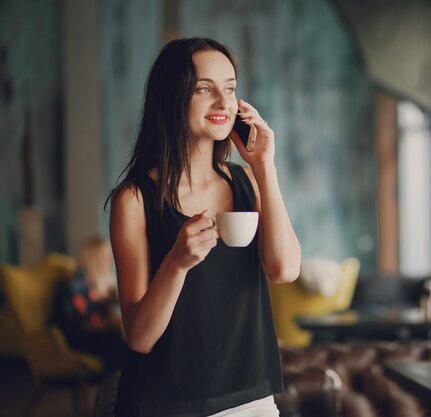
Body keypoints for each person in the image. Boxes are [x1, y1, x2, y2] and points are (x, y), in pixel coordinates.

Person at [108, 37, 301, 416]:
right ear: (173, 98)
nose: (223, 103)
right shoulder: (134, 200)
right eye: (204, 89)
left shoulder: (247, 182)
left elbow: (284, 269)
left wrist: (265, 167)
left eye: (229, 89)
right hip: (161, 405)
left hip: (249, 399)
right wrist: (176, 263)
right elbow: (140, 337)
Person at [55, 236, 124, 371]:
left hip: (92, 332)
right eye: (104, 256)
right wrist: (102, 302)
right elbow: (81, 320)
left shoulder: (100, 282)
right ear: (93, 258)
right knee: (115, 340)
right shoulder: (76, 282)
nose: (109, 261)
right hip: (76, 335)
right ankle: (112, 387)